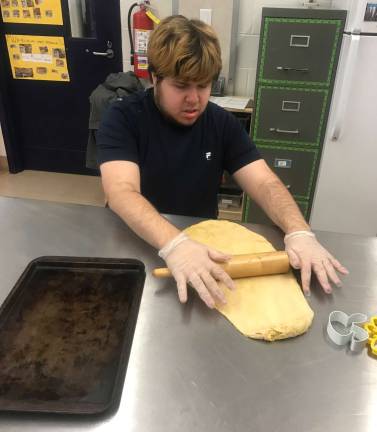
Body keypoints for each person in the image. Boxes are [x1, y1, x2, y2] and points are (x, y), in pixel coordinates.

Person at [97, 15, 348, 309]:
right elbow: (121, 192)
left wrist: (298, 230)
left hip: (200, 248)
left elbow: (265, 181)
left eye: (203, 86)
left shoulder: (221, 123)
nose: (194, 99)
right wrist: (175, 244)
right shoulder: (123, 118)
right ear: (155, 77)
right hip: (135, 242)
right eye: (182, 86)